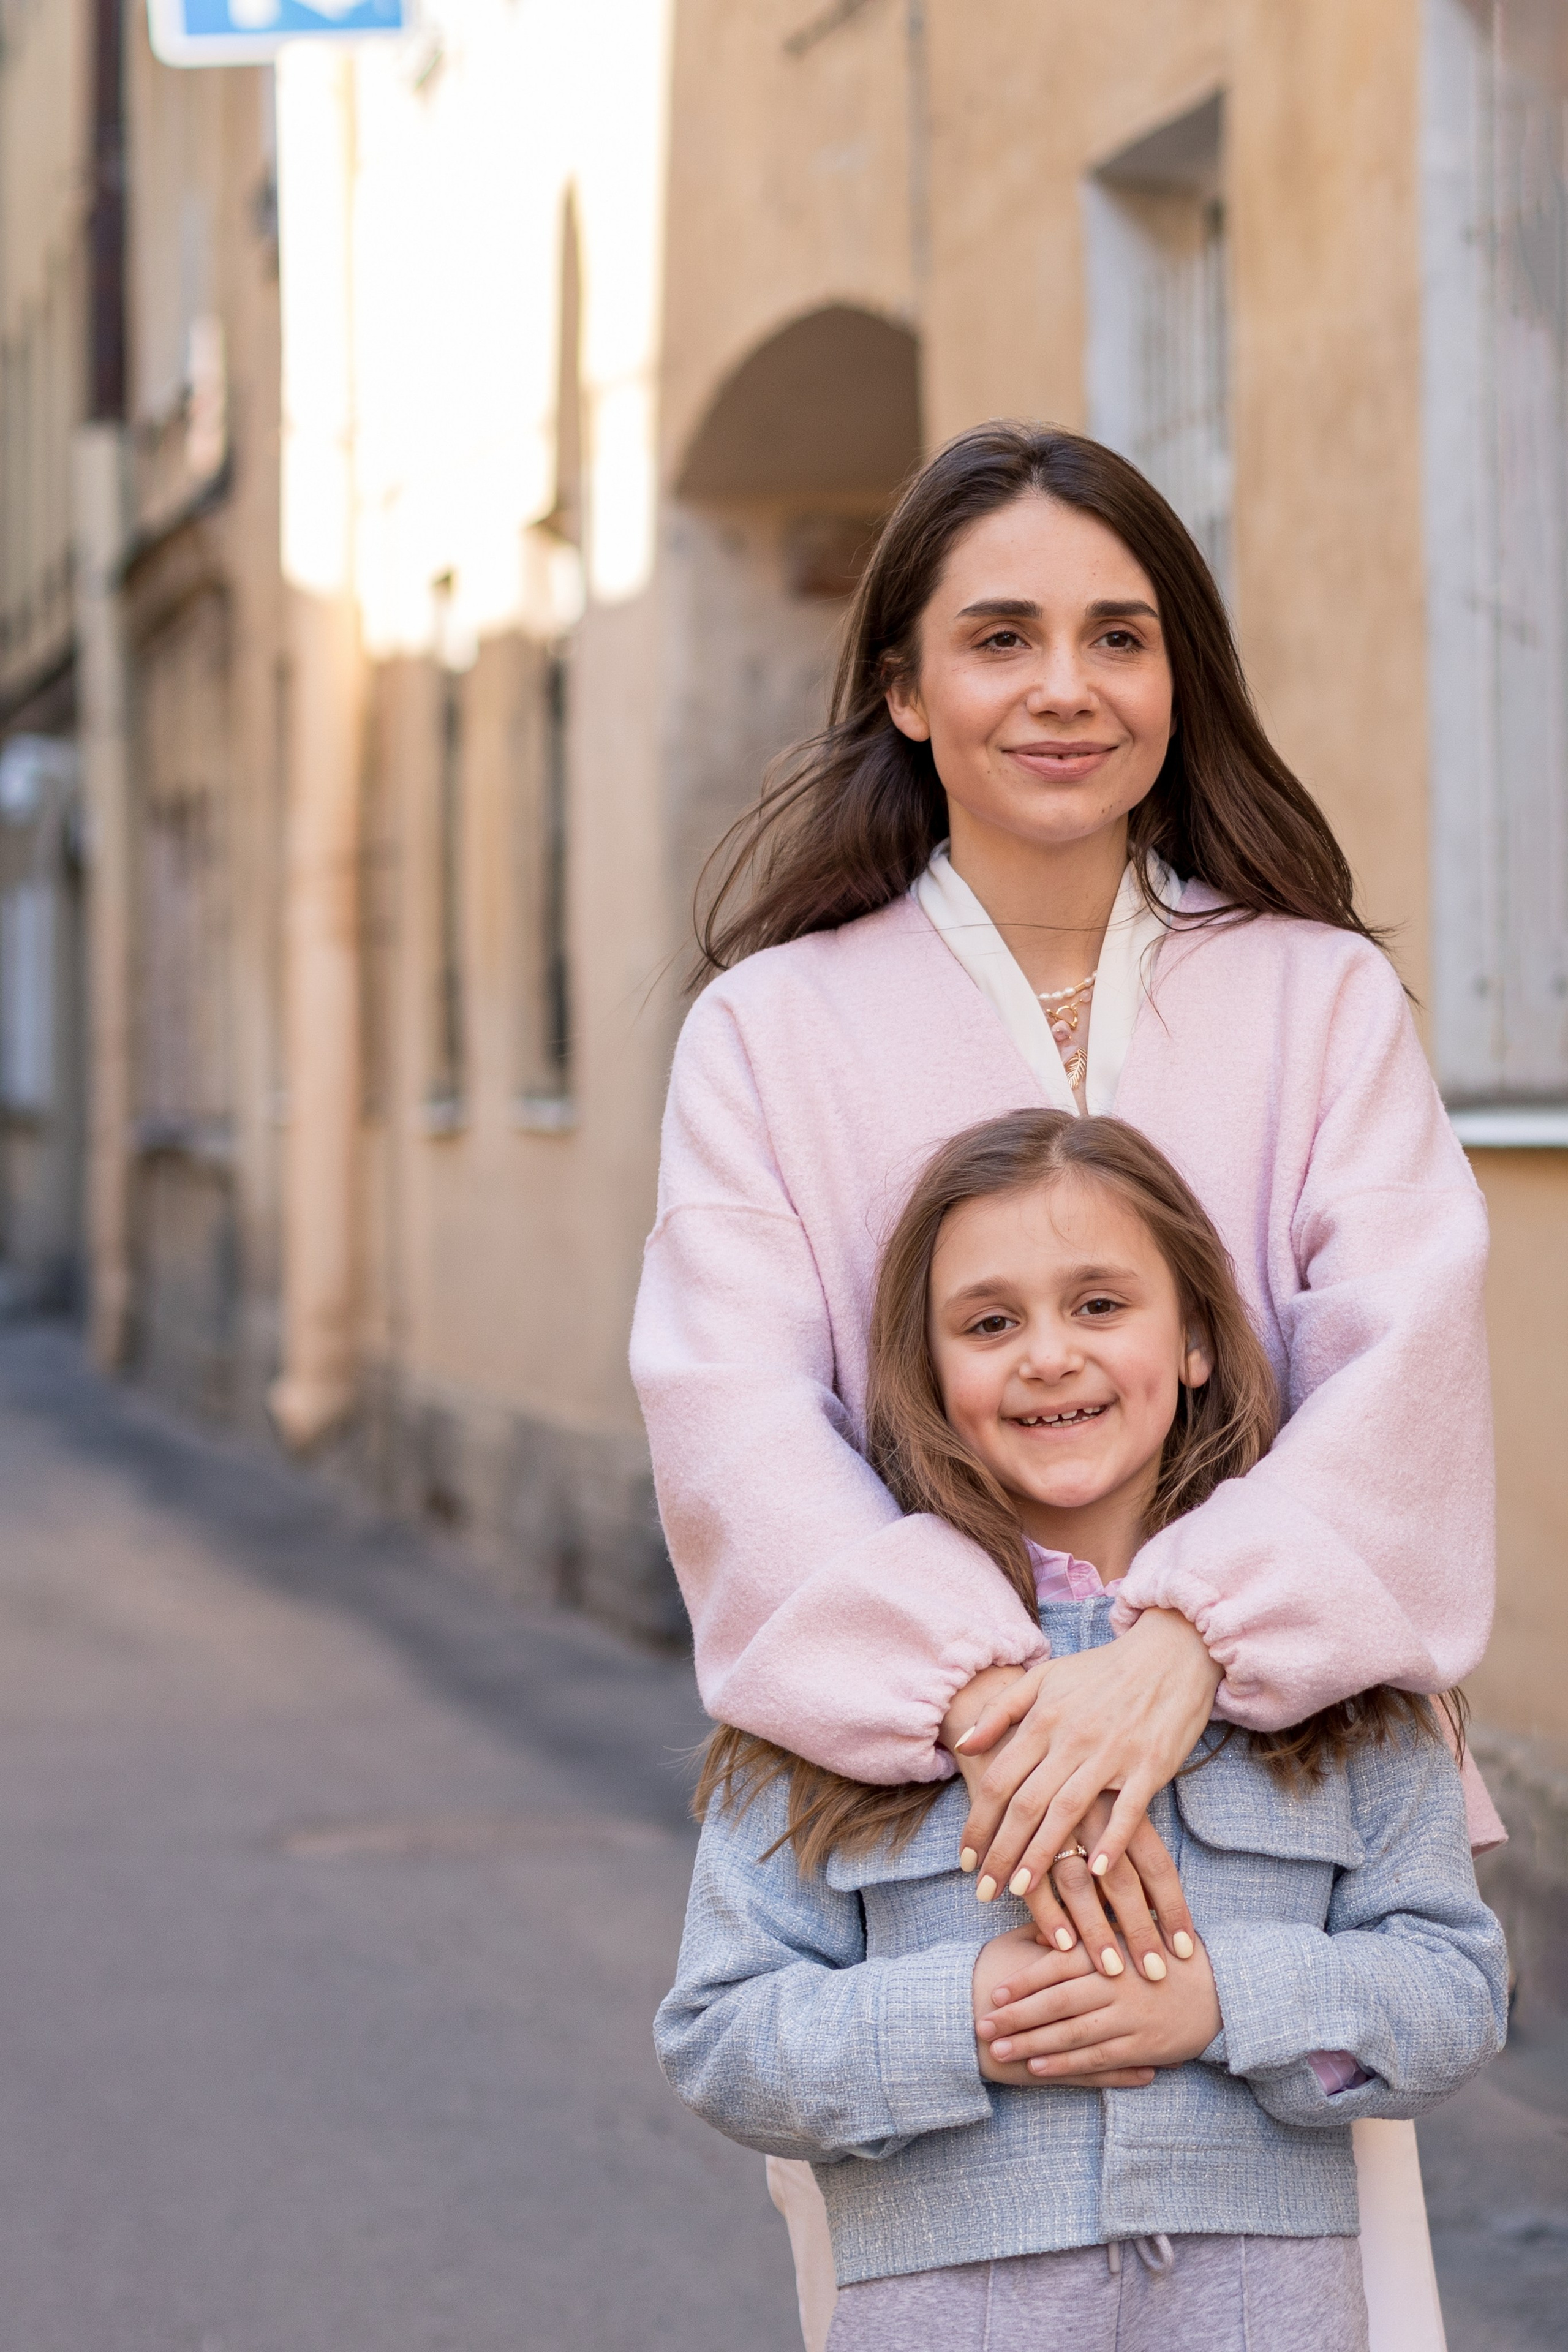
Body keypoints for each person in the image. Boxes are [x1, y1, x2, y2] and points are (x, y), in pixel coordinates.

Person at [630, 423, 1503, 2347]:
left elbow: (1409, 1351)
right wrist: (996, 1698)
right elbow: (730, 1404)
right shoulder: (771, 1031)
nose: (1064, 687)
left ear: (1179, 678)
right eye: (1001, 635)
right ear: (906, 686)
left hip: (1278, 1813)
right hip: (928, 1825)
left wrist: (1189, 1642)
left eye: (1120, 636)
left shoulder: (1314, 997)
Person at [654, 1110, 1507, 2352]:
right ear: (929, 1374)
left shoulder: (1340, 1668)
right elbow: (719, 2031)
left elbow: (1454, 1992)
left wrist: (1222, 2003)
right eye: (989, 1324)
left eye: (1099, 1304)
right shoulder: (835, 1672)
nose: (1047, 1356)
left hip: (1264, 2311)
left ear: (1199, 1339)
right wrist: (964, 2015)